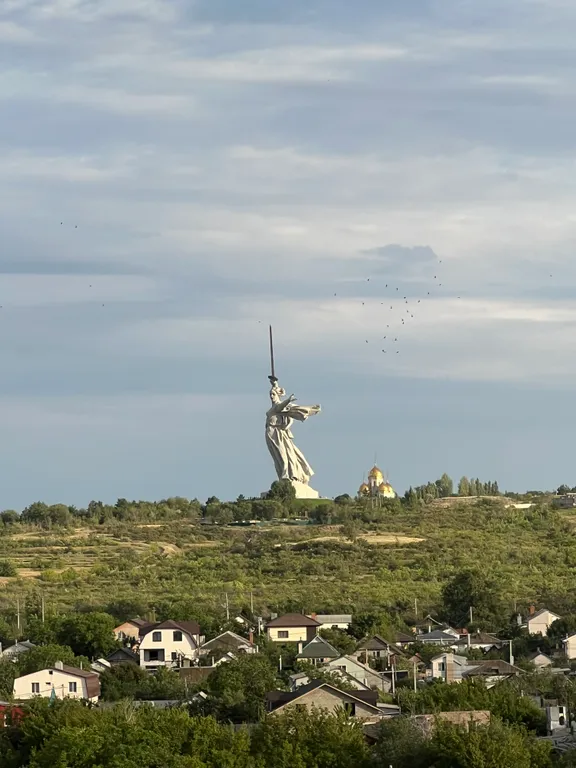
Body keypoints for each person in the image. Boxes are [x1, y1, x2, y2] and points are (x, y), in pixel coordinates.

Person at [265, 376, 320, 485]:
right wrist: (275, 385)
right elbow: (278, 404)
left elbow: (280, 406)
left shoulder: (278, 406)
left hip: (277, 434)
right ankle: (284, 476)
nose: (271, 396)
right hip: (271, 433)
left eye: (273, 394)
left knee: (283, 455)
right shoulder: (274, 406)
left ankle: (288, 476)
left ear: (277, 395)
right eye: (270, 394)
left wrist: (288, 400)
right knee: (277, 457)